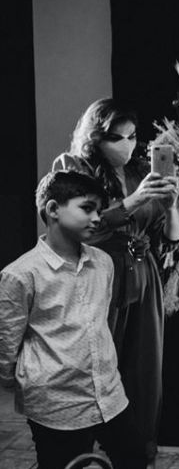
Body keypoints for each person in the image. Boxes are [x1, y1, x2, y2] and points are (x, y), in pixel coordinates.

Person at [50, 99, 179, 462]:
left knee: (142, 374)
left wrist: (171, 204)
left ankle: (134, 455)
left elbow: (172, 237)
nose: (127, 145)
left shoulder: (141, 171)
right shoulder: (73, 167)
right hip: (96, 278)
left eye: (132, 136)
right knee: (90, 369)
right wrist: (134, 201)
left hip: (143, 279)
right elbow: (78, 226)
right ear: (95, 138)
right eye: (116, 138)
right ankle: (75, 454)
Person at [0, 171, 147, 469]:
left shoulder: (103, 263)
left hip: (109, 394)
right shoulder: (21, 274)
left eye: (99, 210)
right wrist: (24, 383)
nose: (97, 218)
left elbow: (101, 321)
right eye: (87, 208)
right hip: (56, 404)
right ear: (53, 209)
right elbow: (7, 342)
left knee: (134, 458)